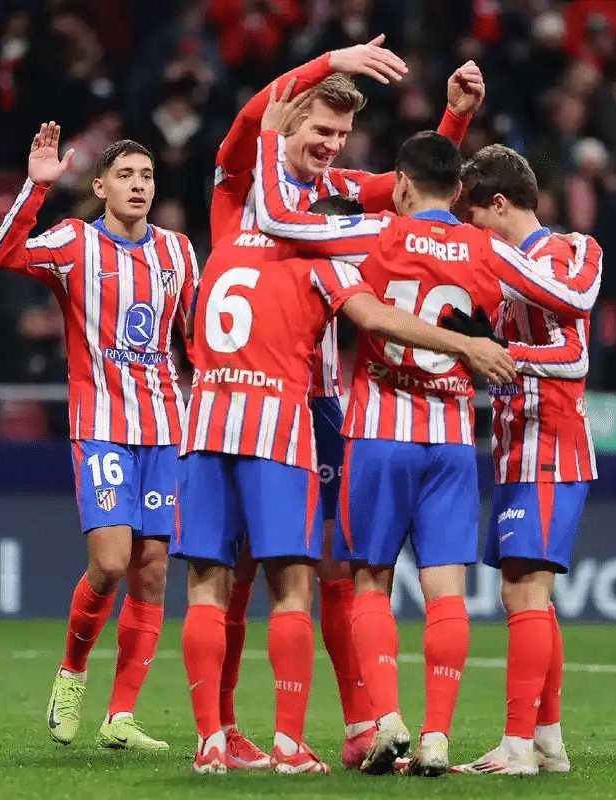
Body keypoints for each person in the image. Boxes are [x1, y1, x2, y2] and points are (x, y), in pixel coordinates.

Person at [250, 88, 602, 776]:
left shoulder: (376, 233)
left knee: (369, 579)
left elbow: (277, 219)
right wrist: (572, 259)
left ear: (403, 186)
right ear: (457, 191)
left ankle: (388, 720)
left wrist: (268, 137)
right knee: (446, 590)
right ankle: (438, 734)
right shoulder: (483, 246)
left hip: (379, 428)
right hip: (451, 434)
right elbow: (569, 297)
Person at [208, 39, 485, 770]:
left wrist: (454, 121)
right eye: (320, 130)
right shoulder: (241, 182)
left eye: (340, 134)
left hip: (324, 407)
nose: (331, 145)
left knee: (334, 569)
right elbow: (251, 118)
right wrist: (329, 61)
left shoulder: (333, 197)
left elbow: (418, 195)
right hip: (249, 402)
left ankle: (364, 723)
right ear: (287, 122)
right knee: (237, 569)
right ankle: (222, 728)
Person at [175, 193, 516, 775]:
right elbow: (377, 314)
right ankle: (288, 740)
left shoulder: (225, 245)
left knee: (228, 578)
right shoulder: (323, 261)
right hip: (290, 418)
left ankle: (225, 735)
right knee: (297, 580)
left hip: (214, 414)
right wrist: (466, 344)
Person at [0, 123, 198, 751]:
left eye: (147, 176)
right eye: (126, 175)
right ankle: (72, 672)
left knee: (152, 570)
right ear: (102, 187)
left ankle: (121, 717)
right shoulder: (75, 242)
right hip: (103, 427)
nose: (139, 185)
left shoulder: (179, 251)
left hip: (165, 429)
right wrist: (36, 186)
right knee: (110, 564)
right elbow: (7, 254)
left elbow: (196, 341)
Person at [442, 144, 600, 775]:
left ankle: (516, 747)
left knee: (523, 589)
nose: (471, 230)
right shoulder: (505, 278)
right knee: (528, 594)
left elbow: (576, 354)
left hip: (553, 447)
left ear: (500, 204)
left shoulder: (566, 252)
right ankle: (547, 741)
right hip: (515, 450)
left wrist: (502, 353)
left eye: (474, 216)